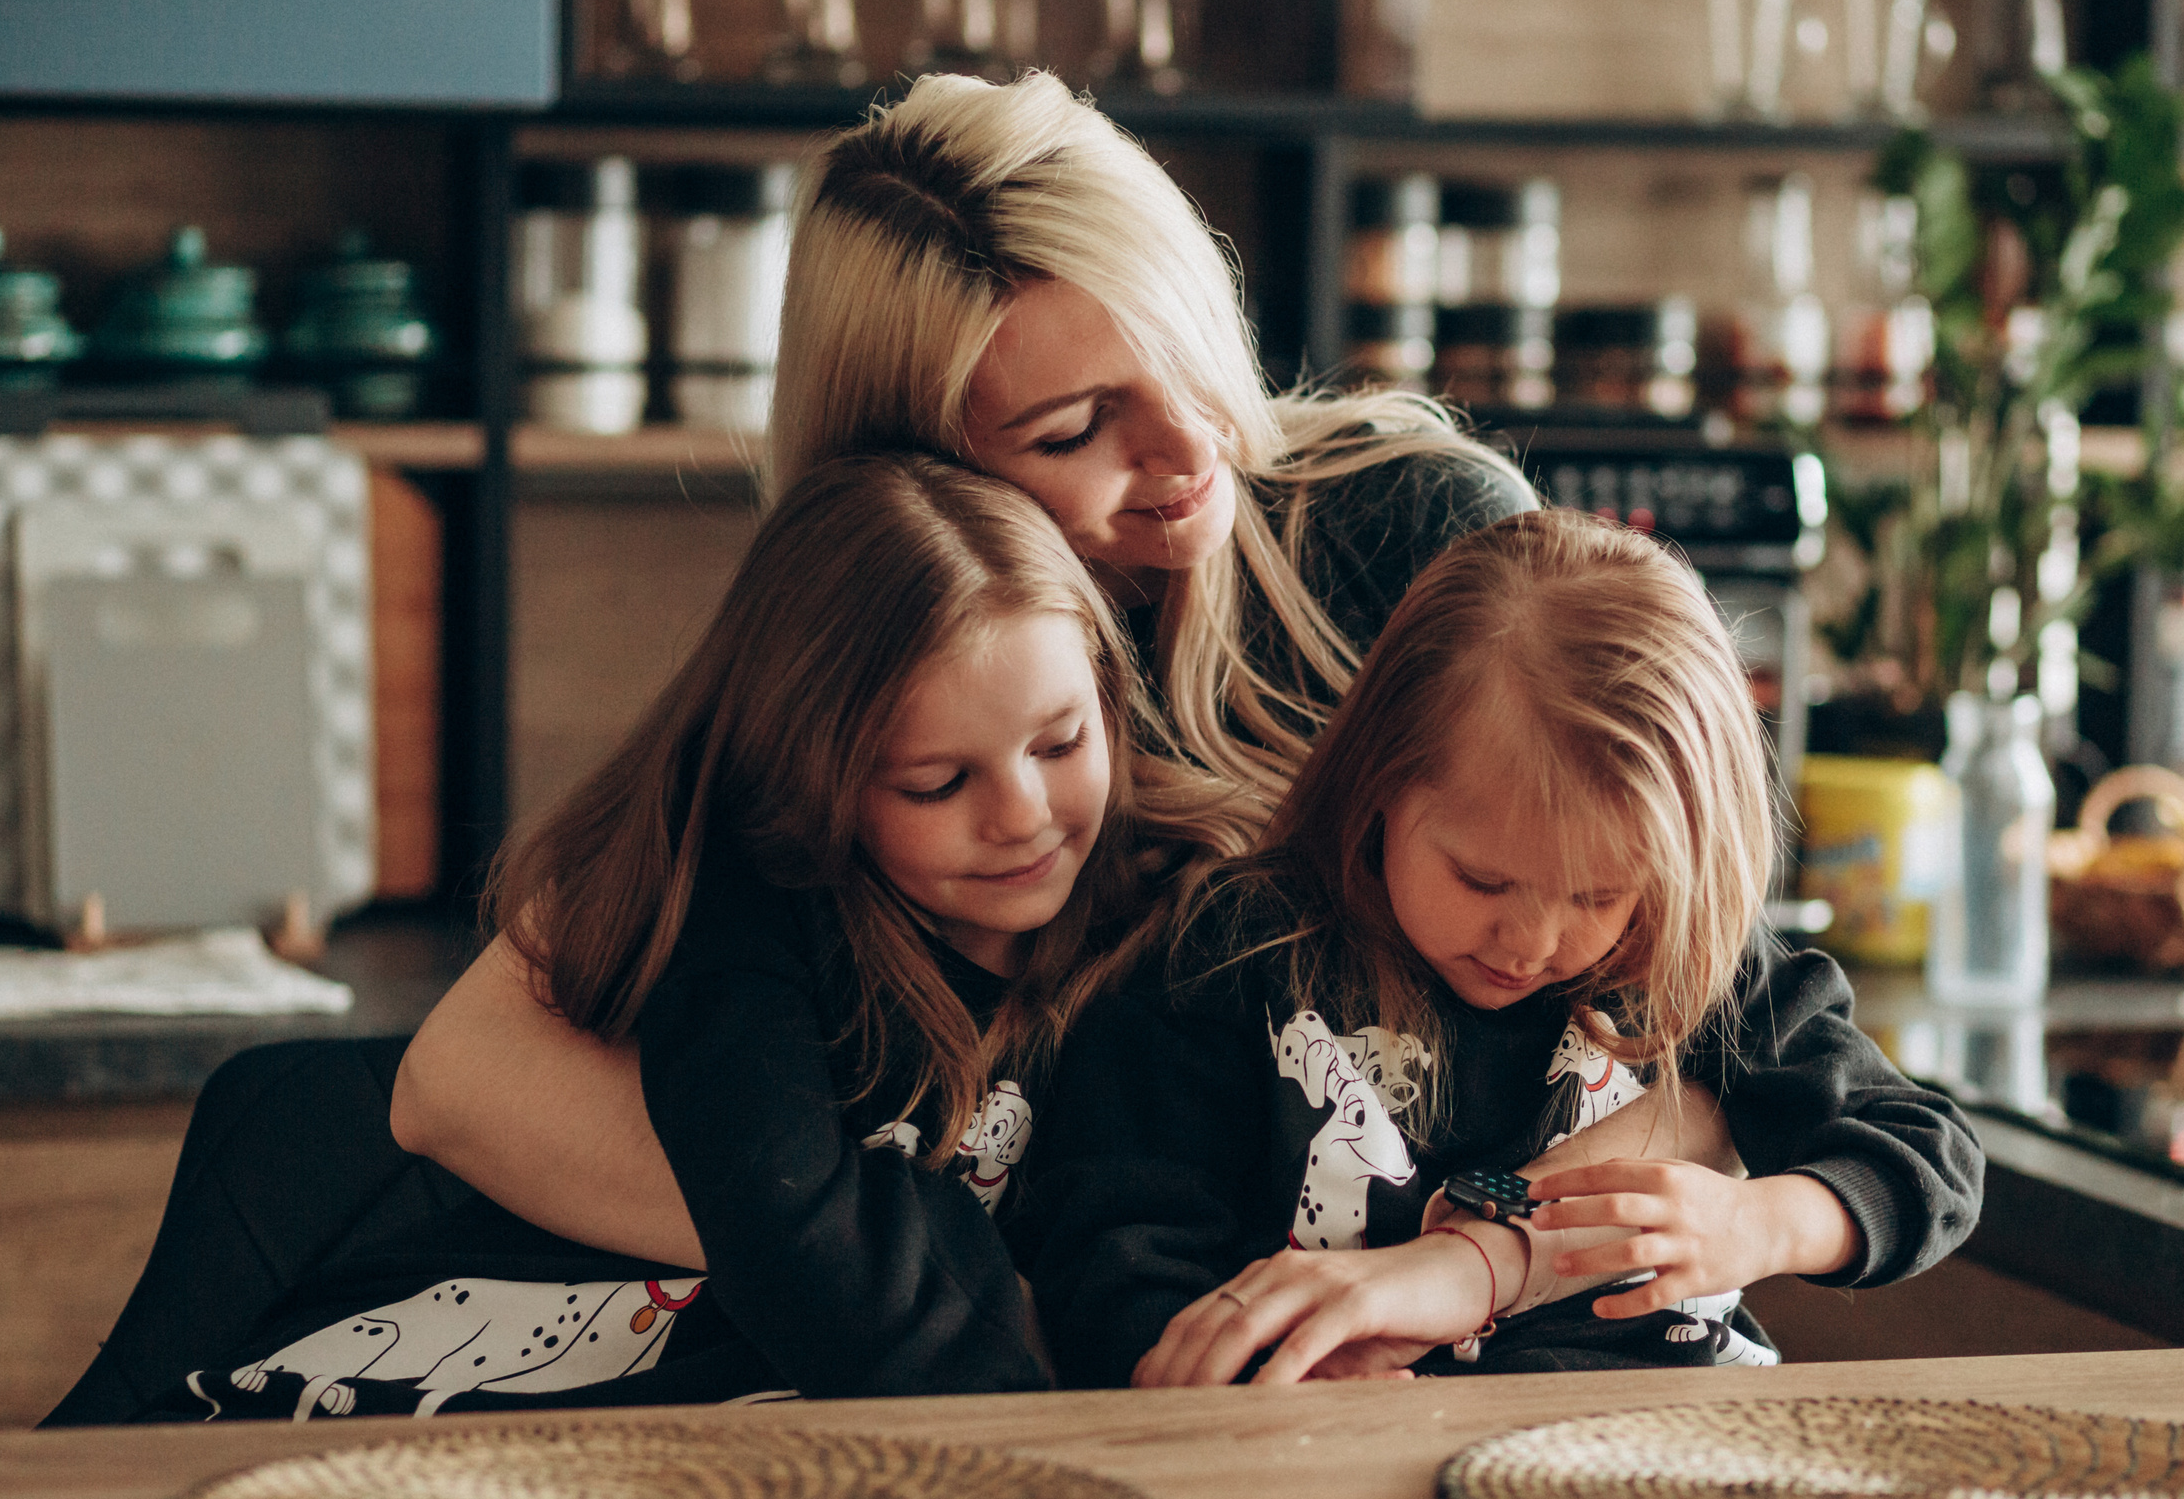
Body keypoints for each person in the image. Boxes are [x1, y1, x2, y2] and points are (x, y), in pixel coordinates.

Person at [389, 70, 1537, 1258]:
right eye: (1074, 430)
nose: (1194, 444)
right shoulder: (883, 635)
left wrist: (1484, 1263)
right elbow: (464, 1081)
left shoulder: (1418, 531)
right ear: (918, 472)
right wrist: (964, 1294)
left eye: (1185, 348)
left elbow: (1671, 986)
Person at [48, 452, 1252, 1424]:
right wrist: (1039, 1399)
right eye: (937, 783)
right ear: (813, 783)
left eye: (1058, 743)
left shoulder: (1192, 913)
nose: (1025, 817)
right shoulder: (758, 919)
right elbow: (800, 1230)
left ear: (1107, 686)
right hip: (533, 1389)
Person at [1021, 510, 1985, 1387]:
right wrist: (1263, 1375)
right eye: (1483, 880)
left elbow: (1928, 1149)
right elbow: (1108, 1249)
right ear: (1381, 781)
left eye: (1598, 895)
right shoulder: (1233, 955)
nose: (1530, 942)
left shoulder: (1696, 964)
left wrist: (1761, 1222)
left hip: (1680, 1443)